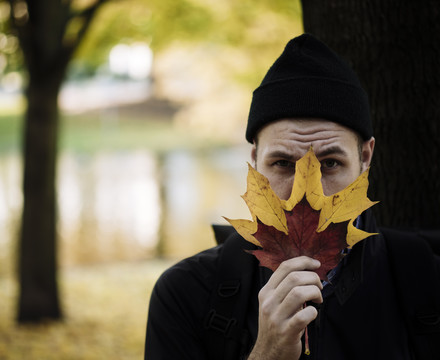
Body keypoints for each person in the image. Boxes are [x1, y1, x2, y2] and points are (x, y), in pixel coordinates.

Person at [144, 34, 440, 360]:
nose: (306, 197)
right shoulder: (185, 295)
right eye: (283, 163)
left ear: (365, 158)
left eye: (330, 163)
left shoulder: (427, 284)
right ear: (255, 160)